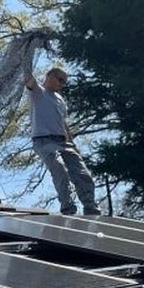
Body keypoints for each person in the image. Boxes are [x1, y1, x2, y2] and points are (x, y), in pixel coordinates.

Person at [24, 65, 101, 216]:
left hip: (63, 141)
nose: (62, 84)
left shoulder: (60, 99)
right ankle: (68, 206)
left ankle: (90, 206)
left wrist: (72, 143)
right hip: (44, 140)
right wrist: (25, 56)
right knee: (59, 170)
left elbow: (63, 123)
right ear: (50, 76)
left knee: (81, 172)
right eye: (60, 80)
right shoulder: (37, 91)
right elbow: (28, 78)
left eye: (64, 82)